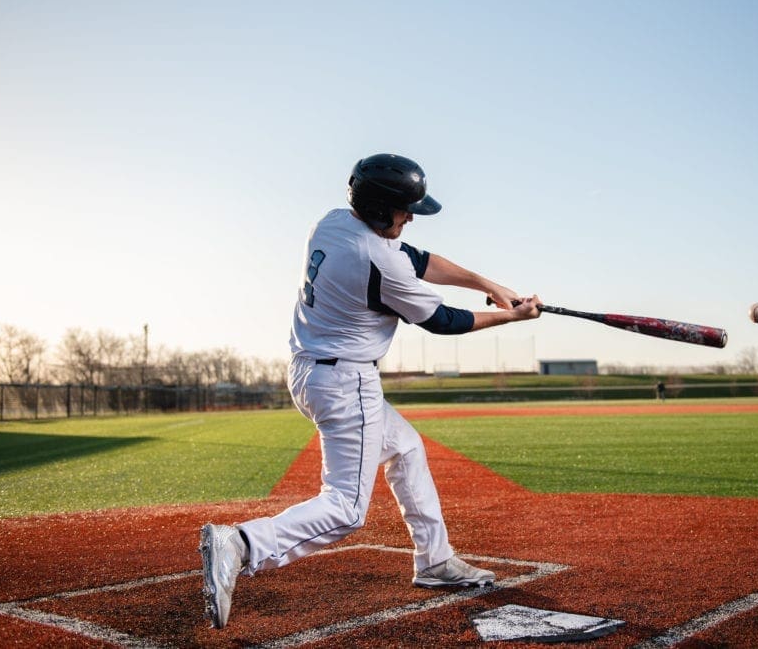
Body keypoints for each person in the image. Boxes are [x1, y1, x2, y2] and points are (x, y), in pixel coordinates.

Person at [199, 153, 542, 629]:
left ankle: (435, 560)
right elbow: (444, 321)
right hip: (346, 383)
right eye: (404, 211)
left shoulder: (334, 223)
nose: (409, 219)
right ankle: (240, 545)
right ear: (382, 210)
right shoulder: (375, 260)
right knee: (344, 508)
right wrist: (513, 316)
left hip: (309, 369)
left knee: (405, 448)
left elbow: (419, 260)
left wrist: (488, 284)